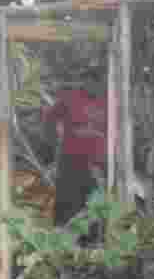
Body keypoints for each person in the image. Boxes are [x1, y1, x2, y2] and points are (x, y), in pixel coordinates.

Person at [43, 65, 108, 227]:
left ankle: (91, 240)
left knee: (93, 202)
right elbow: (49, 117)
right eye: (87, 80)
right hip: (71, 160)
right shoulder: (69, 98)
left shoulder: (107, 101)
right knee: (68, 200)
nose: (90, 84)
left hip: (96, 162)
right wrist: (53, 142)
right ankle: (63, 239)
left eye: (95, 80)